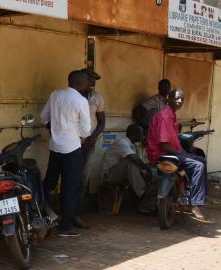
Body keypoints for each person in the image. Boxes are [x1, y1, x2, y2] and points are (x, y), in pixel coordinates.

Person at [41, 70, 91, 237]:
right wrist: (78, 138)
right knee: (70, 188)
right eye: (86, 81)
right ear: (78, 83)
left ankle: (40, 214)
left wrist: (54, 129)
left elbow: (43, 117)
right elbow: (85, 130)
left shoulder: (56, 94)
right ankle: (65, 227)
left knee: (49, 182)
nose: (88, 84)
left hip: (55, 147)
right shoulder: (81, 101)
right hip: (72, 149)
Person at [146, 89, 209, 221]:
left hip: (169, 152)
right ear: (169, 99)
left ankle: (194, 195)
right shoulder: (165, 116)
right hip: (162, 154)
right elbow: (164, 145)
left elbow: (174, 141)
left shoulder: (172, 116)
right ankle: (195, 203)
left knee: (201, 160)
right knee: (198, 166)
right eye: (177, 98)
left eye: (182, 99)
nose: (180, 101)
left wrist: (185, 153)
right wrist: (183, 154)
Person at [76, 68, 106, 229]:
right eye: (91, 79)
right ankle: (65, 211)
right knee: (70, 177)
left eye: (95, 79)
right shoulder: (72, 96)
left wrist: (93, 138)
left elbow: (101, 122)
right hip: (71, 143)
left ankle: (77, 213)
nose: (93, 82)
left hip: (89, 144)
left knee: (83, 178)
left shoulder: (97, 98)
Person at [101, 124, 155, 213]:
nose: (143, 136)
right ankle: (143, 193)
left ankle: (146, 202)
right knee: (130, 162)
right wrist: (147, 169)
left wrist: (145, 171)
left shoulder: (132, 145)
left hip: (120, 174)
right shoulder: (121, 142)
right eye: (141, 134)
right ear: (135, 134)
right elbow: (134, 159)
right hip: (109, 176)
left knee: (144, 170)